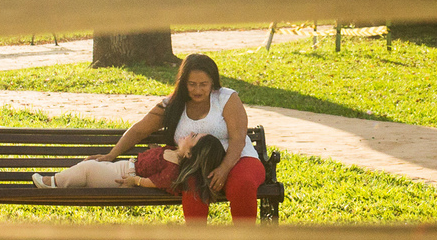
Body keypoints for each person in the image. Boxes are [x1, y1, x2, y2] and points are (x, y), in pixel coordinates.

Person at [87, 53, 265, 224]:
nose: (197, 90)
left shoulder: (226, 98)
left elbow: (238, 138)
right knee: (191, 185)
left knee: (243, 184)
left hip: (237, 159)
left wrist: (224, 168)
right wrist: (112, 154)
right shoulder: (173, 104)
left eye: (203, 84)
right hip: (195, 166)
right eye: (192, 84)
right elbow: (139, 130)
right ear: (183, 83)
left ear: (213, 82)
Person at [33, 132, 227, 199]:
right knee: (90, 165)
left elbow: (159, 182)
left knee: (88, 169)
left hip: (123, 178)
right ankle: (63, 180)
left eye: (193, 137)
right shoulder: (171, 151)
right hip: (123, 166)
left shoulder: (173, 168)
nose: (190, 133)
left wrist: (137, 181)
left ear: (190, 153)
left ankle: (54, 183)